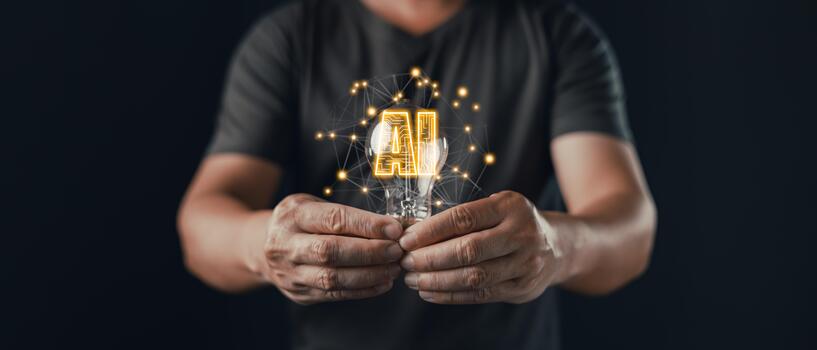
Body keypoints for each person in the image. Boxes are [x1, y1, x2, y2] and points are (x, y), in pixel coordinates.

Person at [177, 0, 656, 349]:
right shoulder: (290, 37)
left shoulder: (557, 35)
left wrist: (556, 244)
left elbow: (630, 230)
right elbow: (202, 225)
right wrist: (262, 243)